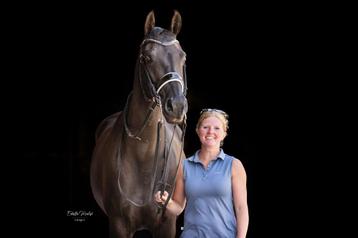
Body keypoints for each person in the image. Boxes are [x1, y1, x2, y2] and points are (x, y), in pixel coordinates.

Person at [155, 108, 249, 238]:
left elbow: (241, 208)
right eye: (205, 127)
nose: (211, 131)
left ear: (224, 134)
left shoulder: (234, 165)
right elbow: (178, 207)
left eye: (217, 128)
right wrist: (167, 202)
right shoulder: (184, 166)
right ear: (198, 130)